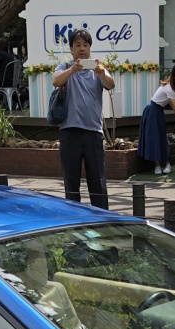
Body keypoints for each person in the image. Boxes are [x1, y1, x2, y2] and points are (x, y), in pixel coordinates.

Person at [53, 29, 115, 209]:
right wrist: (73, 69)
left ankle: (103, 221)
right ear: (71, 49)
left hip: (93, 134)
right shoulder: (64, 68)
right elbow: (56, 81)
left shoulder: (97, 69)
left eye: (85, 45)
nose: (82, 49)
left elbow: (111, 84)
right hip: (69, 133)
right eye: (78, 45)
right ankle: (74, 222)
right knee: (71, 184)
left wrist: (101, 73)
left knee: (98, 183)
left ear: (90, 48)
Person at [138, 68, 175, 174]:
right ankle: (157, 165)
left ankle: (167, 164)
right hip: (152, 111)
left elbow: (172, 104)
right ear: (174, 76)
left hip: (157, 111)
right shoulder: (169, 87)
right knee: (154, 137)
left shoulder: (172, 88)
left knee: (161, 136)